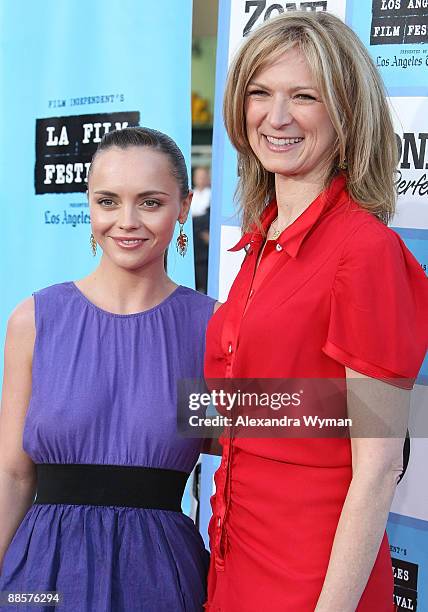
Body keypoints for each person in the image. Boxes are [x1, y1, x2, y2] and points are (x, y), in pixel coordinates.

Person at [204, 11, 428, 612]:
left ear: (345, 112)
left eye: (303, 96)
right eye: (260, 92)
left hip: (317, 580)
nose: (276, 117)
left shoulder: (365, 253)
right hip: (234, 560)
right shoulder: (260, 244)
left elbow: (379, 467)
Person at [0, 127, 215, 611]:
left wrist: (380, 419)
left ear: (184, 206)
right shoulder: (34, 320)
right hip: (39, 582)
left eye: (151, 202)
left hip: (158, 581)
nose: (127, 221)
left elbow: (261, 451)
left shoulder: (212, 327)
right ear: (89, 206)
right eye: (108, 201)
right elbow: (13, 477)